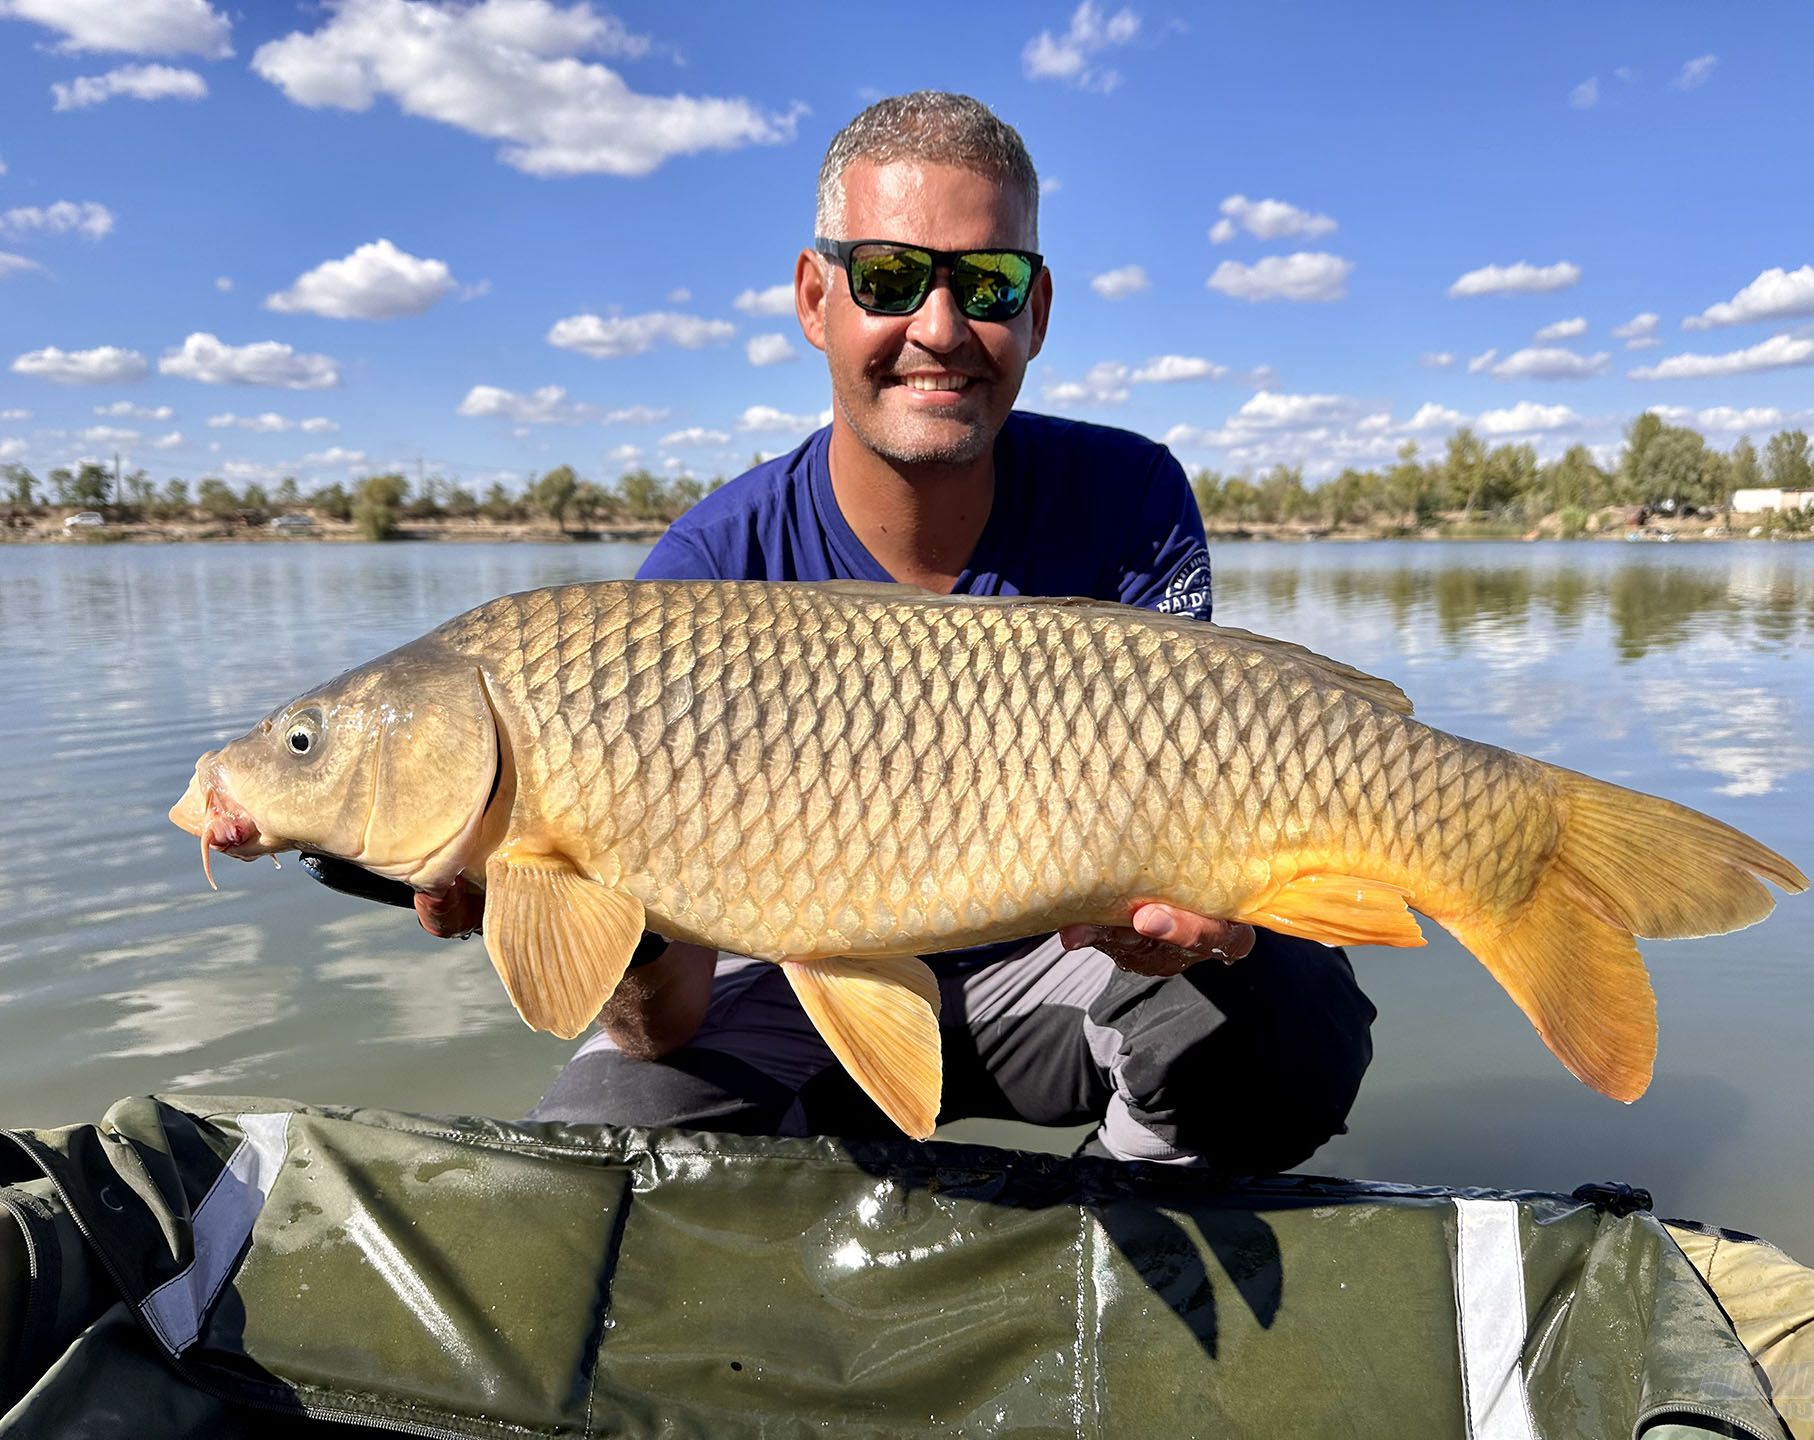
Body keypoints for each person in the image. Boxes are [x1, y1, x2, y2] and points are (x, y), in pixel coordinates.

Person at [342, 92, 1375, 1170]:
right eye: (888, 278)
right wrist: (598, 895)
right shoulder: (702, 574)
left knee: (1288, 1011)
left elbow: (1212, 799)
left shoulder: (1131, 497)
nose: (938, 328)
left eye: (987, 284)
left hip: (1061, 967)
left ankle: (1120, 1243)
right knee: (606, 1142)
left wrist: (1224, 918)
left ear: (1038, 311)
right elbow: (665, 1024)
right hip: (796, 991)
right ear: (813, 295)